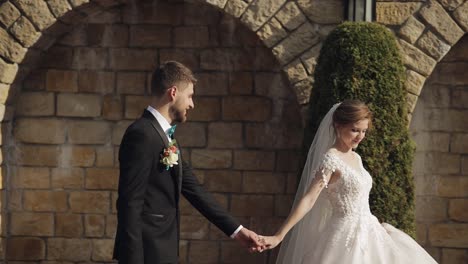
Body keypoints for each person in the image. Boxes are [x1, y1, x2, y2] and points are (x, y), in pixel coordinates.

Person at [113, 61, 262, 264]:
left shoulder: (166, 137)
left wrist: (238, 231)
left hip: (163, 251)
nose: (192, 104)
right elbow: (129, 203)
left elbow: (194, 189)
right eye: (190, 96)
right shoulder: (142, 134)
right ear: (173, 92)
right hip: (146, 253)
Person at [258, 100, 438, 264]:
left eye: (364, 131)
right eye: (355, 130)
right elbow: (309, 199)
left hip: (371, 232)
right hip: (344, 239)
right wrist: (279, 235)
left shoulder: (356, 158)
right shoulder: (330, 159)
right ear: (337, 126)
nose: (360, 136)